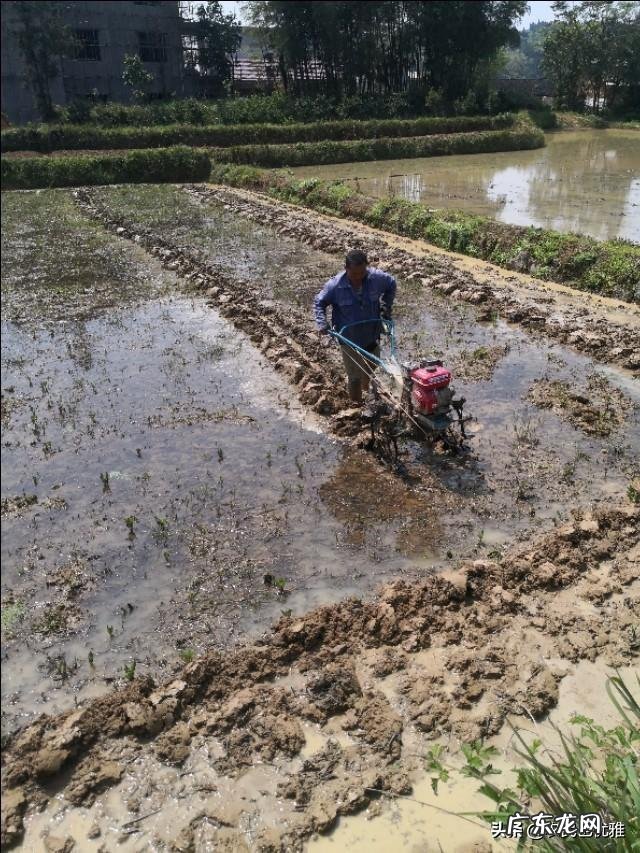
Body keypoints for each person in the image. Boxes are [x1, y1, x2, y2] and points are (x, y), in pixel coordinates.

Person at [314, 250, 396, 403]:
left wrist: (386, 307)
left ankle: (366, 390)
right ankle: (356, 406)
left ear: (367, 267)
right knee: (354, 378)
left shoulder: (376, 278)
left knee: (372, 367)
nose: (358, 277)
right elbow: (319, 302)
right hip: (349, 338)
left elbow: (391, 283)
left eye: (362, 273)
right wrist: (322, 323)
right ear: (346, 269)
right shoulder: (335, 285)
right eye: (354, 274)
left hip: (371, 333)